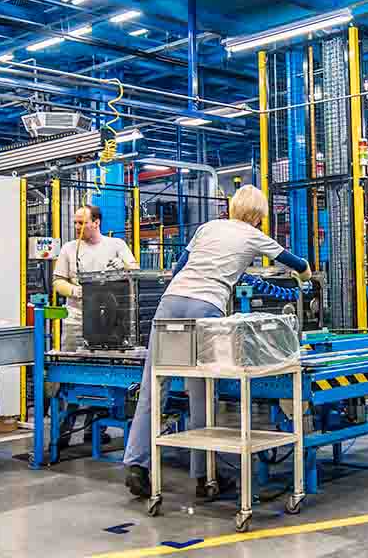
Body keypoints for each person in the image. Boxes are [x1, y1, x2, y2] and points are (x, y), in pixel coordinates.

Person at [123, 185, 311, 499]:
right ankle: (204, 477)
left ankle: (136, 465)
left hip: (170, 302)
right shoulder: (253, 235)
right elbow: (296, 263)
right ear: (258, 216)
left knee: (154, 386)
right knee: (201, 391)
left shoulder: (207, 227)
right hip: (205, 306)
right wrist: (306, 278)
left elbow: (178, 267)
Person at [52, 205, 139, 352]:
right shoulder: (69, 248)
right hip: (77, 320)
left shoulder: (116, 245)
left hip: (111, 321)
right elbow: (58, 281)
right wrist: (78, 292)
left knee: (106, 361)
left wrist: (124, 265)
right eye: (75, 223)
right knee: (71, 362)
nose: (77, 227)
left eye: (82, 223)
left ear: (96, 223)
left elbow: (135, 270)